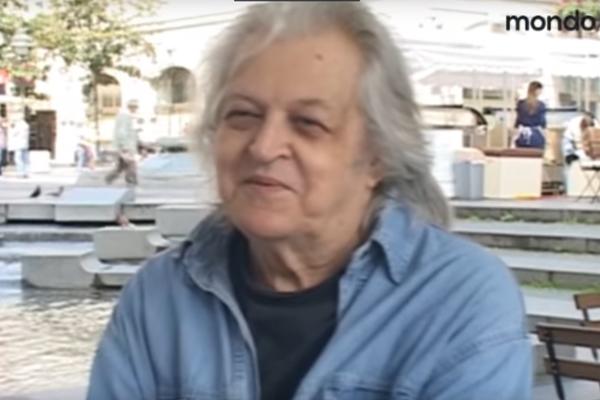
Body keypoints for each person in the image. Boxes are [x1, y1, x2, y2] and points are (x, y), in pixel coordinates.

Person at [88, 3, 531, 400]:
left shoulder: (458, 300)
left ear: (378, 156)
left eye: (308, 123)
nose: (264, 146)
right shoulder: (159, 299)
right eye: (243, 115)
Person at [105, 99, 140, 186]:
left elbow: (128, 132)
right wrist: (124, 146)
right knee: (131, 163)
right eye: (135, 107)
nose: (136, 109)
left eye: (136, 107)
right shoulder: (125, 116)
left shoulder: (127, 116)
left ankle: (109, 178)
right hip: (126, 146)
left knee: (122, 166)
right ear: (130, 107)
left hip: (125, 145)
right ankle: (131, 180)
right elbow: (122, 132)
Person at [513, 80, 547, 149]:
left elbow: (518, 121)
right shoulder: (541, 105)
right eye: (540, 90)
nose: (541, 92)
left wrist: (514, 134)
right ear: (537, 90)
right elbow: (543, 122)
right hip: (536, 136)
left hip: (523, 135)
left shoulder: (521, 104)